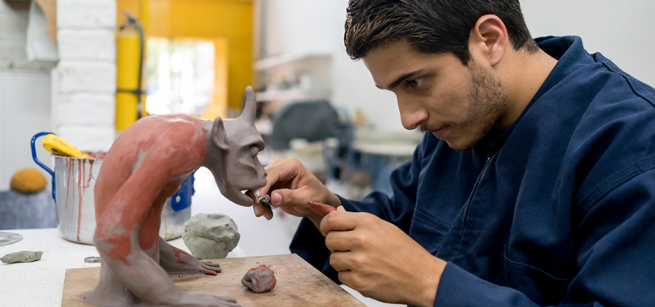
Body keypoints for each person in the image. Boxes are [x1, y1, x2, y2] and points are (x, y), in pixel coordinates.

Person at [254, 0, 655, 306]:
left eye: (415, 81)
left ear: (490, 40)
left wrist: (431, 283)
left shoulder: (631, 143)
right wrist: (326, 208)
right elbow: (401, 223)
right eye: (393, 91)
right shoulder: (457, 124)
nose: (408, 118)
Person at [86, 87, 266, 307]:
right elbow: (110, 237)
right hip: (121, 296)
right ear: (220, 136)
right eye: (252, 154)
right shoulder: (185, 142)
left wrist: (178, 260)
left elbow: (142, 224)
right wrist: (173, 297)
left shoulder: (189, 137)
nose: (262, 171)